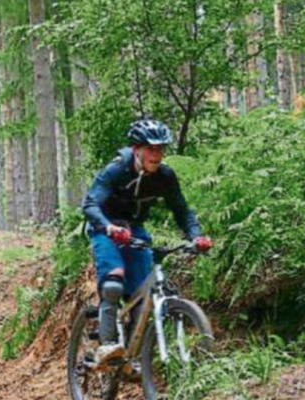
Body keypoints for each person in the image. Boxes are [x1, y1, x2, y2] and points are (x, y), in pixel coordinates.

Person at [82, 118, 212, 366]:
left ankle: (133, 354)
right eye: (151, 149)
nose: (157, 155)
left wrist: (196, 236)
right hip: (105, 227)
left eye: (161, 149)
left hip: (135, 231)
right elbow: (90, 204)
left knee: (143, 294)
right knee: (113, 283)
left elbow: (182, 211)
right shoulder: (117, 170)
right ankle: (106, 345)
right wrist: (108, 226)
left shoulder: (164, 176)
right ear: (136, 149)